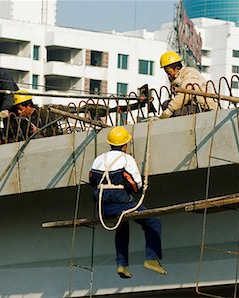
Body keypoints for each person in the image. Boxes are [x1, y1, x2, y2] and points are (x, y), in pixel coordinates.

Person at [89, 126, 167, 279]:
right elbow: (136, 186)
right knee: (153, 221)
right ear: (125, 144)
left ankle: (122, 264)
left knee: (122, 227)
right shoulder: (126, 159)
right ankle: (152, 259)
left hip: (103, 208)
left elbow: (92, 180)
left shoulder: (98, 159)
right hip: (122, 205)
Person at [159, 51, 217, 119]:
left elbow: (185, 94)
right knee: (166, 104)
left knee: (176, 111)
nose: (168, 76)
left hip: (204, 108)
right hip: (192, 106)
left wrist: (168, 111)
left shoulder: (189, 73)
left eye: (169, 73)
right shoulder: (177, 80)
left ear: (177, 69)